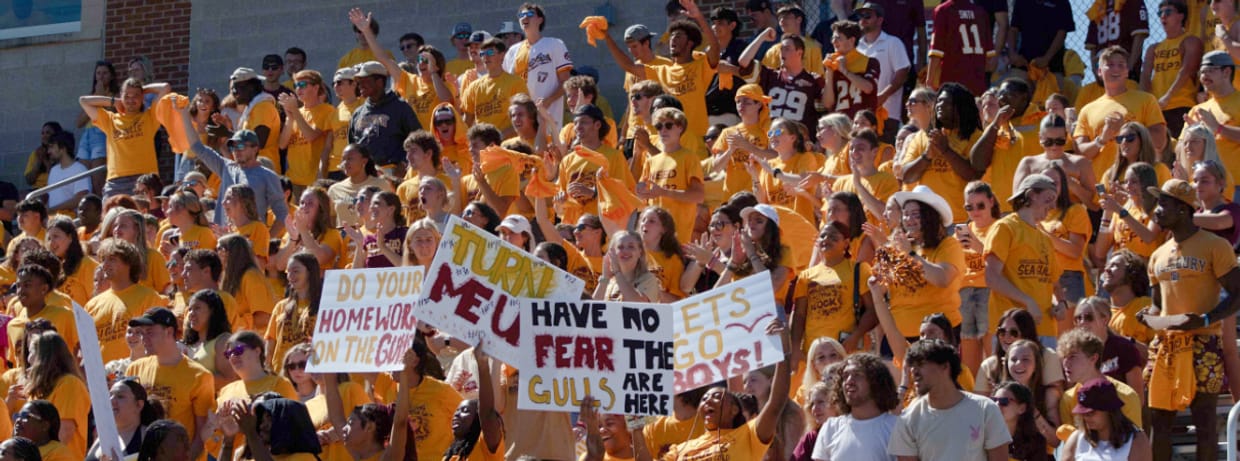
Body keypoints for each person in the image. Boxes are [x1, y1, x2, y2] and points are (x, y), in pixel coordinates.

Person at [1140, 178, 1240, 461]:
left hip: (1203, 341)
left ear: (1183, 209)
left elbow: (1238, 293)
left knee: (1205, 421)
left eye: (1164, 204)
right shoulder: (1157, 254)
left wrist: (1206, 318)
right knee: (1159, 422)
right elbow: (1158, 305)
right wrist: (1148, 315)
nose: (1156, 210)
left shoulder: (1214, 245)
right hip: (1167, 343)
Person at [660, 319, 791, 459]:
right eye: (704, 399)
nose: (707, 401)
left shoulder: (748, 435)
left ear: (734, 410)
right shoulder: (680, 449)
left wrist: (784, 351)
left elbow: (776, 403)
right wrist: (636, 425)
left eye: (716, 397)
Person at [603, 0, 720, 140]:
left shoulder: (701, 65)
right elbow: (629, 66)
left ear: (690, 43)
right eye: (671, 36)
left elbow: (715, 48)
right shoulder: (662, 70)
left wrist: (698, 17)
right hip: (669, 141)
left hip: (696, 139)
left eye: (678, 36)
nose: (672, 40)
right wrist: (606, 36)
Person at [175, 102, 288, 236]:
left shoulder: (268, 176)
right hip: (222, 241)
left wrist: (266, 240)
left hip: (250, 244)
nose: (236, 151)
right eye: (233, 146)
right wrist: (184, 114)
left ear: (255, 148)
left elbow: (282, 214)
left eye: (240, 146)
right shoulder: (226, 167)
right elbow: (197, 147)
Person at [887, 339, 1011, 460]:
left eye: (920, 364)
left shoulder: (986, 409)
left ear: (945, 366)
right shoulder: (908, 419)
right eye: (912, 366)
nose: (914, 371)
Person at [871, 186, 965, 341]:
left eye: (915, 215)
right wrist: (884, 259)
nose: (909, 220)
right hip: (901, 334)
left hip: (938, 332)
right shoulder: (896, 247)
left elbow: (942, 279)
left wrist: (911, 255)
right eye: (906, 214)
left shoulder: (948, 245)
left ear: (929, 217)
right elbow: (879, 288)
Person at [125, 307, 215, 461]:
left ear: (168, 332)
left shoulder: (199, 376)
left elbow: (202, 435)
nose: (144, 338)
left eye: (150, 332)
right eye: (142, 333)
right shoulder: (135, 368)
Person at [1074, 47, 1168, 183]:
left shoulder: (1146, 100)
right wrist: (1102, 139)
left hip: (1139, 185)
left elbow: (1160, 141)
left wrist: (1125, 130)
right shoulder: (1087, 110)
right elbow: (1081, 153)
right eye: (1110, 65)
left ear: (1127, 72)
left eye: (1121, 65)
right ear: (1099, 71)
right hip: (1102, 187)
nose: (1116, 69)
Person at [350, 10, 455, 132]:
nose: (421, 62)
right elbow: (384, 59)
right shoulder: (409, 80)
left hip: (435, 143)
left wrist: (433, 72)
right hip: (413, 143)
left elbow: (446, 100)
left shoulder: (446, 85)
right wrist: (366, 31)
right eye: (420, 59)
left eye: (427, 60)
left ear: (437, 65)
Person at [900, 83, 983, 224]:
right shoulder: (922, 137)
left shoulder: (976, 137)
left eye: (946, 102)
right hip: (929, 222)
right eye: (938, 101)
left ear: (960, 107)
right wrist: (926, 156)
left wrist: (945, 151)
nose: (939, 105)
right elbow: (906, 176)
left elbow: (974, 175)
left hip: (962, 220)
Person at [77, 77, 173, 197]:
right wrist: (113, 101)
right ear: (121, 96)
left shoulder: (150, 116)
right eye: (127, 96)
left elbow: (165, 87)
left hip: (145, 180)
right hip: (116, 182)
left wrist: (143, 89)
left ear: (142, 98)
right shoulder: (110, 119)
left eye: (135, 96)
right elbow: (83, 101)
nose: (131, 100)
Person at [86, 239, 167, 363]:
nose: (105, 265)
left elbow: (157, 342)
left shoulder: (148, 297)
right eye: (103, 260)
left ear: (129, 263)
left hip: (135, 376)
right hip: (101, 379)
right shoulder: (92, 305)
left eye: (112, 259)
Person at [809, 352, 898, 461]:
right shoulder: (831, 427)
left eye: (857, 375)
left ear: (875, 381)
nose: (849, 381)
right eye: (845, 376)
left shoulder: (897, 427)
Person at [502, 3, 573, 134]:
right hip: (520, 120)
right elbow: (505, 84)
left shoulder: (554, 44)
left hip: (548, 116)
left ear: (540, 20)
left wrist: (549, 100)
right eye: (521, 15)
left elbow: (566, 81)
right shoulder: (512, 51)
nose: (525, 17)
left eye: (529, 14)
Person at [735, 30, 825, 131]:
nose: (782, 51)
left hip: (799, 140)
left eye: (787, 49)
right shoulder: (770, 75)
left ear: (799, 52)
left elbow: (823, 112)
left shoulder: (814, 80)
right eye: (781, 48)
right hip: (771, 137)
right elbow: (743, 61)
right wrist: (762, 37)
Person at [1141, 1, 1203, 136]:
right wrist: (1149, 104)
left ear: (1181, 16)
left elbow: (1186, 70)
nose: (1163, 16)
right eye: (1160, 13)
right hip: (1158, 109)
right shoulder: (1153, 48)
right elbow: (1145, 76)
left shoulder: (1190, 41)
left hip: (1182, 105)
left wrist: (1168, 97)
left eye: (1168, 12)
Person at [957, 181, 1000, 370]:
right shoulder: (962, 232)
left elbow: (1002, 264)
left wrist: (977, 246)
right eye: (969, 207)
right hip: (964, 295)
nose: (975, 211)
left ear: (991, 202)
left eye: (980, 205)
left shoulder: (1001, 228)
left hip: (989, 293)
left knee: (993, 358)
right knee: (968, 362)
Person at [1187, 50, 1240, 201]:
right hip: (1206, 189)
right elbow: (1184, 152)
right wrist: (1194, 138)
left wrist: (1218, 128)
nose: (1204, 76)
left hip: (1237, 185)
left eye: (1209, 70)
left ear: (1227, 72)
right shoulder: (1197, 110)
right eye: (1201, 72)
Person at [1060, 378, 1152, 461]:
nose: (1086, 418)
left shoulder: (1136, 440)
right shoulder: (1077, 439)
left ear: (1109, 410)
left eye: (1091, 413)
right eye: (1083, 414)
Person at [855, 2, 910, 142]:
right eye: (860, 15)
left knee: (885, 157)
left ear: (880, 20)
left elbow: (903, 73)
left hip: (888, 113)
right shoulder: (856, 47)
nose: (863, 19)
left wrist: (883, 96)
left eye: (868, 15)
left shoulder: (893, 42)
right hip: (860, 116)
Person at [1071, 298, 1146, 397]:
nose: (1082, 322)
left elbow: (1138, 397)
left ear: (1105, 320)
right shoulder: (1074, 351)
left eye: (1088, 317)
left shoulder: (1124, 348)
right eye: (1078, 318)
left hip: (1121, 409)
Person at [278, 70, 337, 190]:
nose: (298, 89)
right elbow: (282, 145)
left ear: (316, 88)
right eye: (296, 85)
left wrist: (294, 111)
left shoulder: (327, 110)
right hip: (293, 180)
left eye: (303, 85)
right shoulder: (297, 113)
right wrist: (290, 118)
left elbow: (311, 136)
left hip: (313, 180)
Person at [265, 252, 321, 374]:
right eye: (288, 272)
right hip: (280, 375)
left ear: (310, 272)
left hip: (310, 374)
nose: (290, 276)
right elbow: (270, 344)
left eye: (296, 271)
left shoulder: (323, 307)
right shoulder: (281, 306)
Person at [85, 378, 165, 461]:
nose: (111, 400)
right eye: (110, 395)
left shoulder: (150, 438)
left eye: (120, 396)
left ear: (139, 405)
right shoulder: (102, 436)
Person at [218, 397, 321, 461]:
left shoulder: (305, 458)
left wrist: (251, 433)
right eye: (261, 420)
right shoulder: (251, 457)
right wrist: (228, 440)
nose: (262, 426)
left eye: (270, 420)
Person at [925, 0, 994, 94]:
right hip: (977, 84)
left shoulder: (944, 10)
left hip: (952, 83)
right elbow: (989, 60)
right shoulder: (981, 11)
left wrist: (929, 82)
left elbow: (936, 52)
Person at [275, 187, 346, 271]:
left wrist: (304, 231)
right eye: (302, 203)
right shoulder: (291, 233)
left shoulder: (332, 234)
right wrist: (293, 239)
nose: (304, 206)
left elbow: (318, 259)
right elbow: (280, 265)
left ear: (321, 209)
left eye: (310, 203)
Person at [181, 289, 235, 391]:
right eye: (190, 309)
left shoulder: (223, 341)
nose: (191, 314)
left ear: (212, 311)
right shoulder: (187, 345)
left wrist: (191, 373)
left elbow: (228, 380)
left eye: (197, 308)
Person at [1101, 250, 1155, 345]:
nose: (1107, 270)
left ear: (1131, 273)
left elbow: (1158, 353)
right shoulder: (1101, 314)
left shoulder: (1147, 306)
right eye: (1107, 266)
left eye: (1114, 266)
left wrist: (1119, 339)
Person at [1085, 0, 1150, 77]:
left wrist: (1130, 67)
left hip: (1123, 68)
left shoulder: (1132, 2)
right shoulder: (1098, 5)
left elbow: (1139, 36)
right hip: (1104, 70)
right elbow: (1093, 46)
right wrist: (1096, 71)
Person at [44, 216, 96, 306]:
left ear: (70, 237)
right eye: (49, 238)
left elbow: (96, 300)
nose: (51, 243)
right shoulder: (51, 270)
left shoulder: (86, 264)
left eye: (56, 236)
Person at [992, 382, 1049, 461]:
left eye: (1004, 401)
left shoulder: (1036, 442)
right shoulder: (984, 436)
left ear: (1022, 408)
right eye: (994, 400)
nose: (996, 405)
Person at [41, 131, 89, 214]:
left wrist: (53, 209)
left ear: (62, 148)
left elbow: (81, 199)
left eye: (52, 147)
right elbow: (51, 198)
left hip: (71, 222)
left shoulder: (80, 169)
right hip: (53, 221)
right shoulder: (53, 170)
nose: (48, 151)